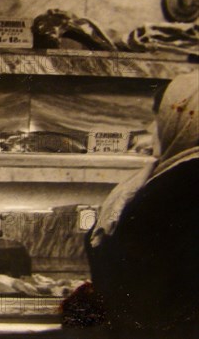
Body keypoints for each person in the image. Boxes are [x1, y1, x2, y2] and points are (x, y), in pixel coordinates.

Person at [84, 70, 199, 336]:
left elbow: (137, 298)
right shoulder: (169, 178)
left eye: (158, 117)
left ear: (181, 121)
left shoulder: (176, 188)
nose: (150, 129)